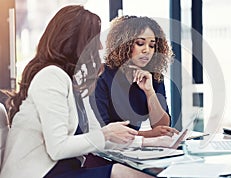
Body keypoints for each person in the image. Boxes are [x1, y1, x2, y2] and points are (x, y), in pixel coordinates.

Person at [0, 6, 174, 178]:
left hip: (61, 169)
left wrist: (152, 142)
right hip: (39, 173)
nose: (99, 46)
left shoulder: (73, 81)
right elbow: (58, 148)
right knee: (121, 173)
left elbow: (99, 134)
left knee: (143, 172)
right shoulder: (51, 76)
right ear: (75, 42)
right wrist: (106, 133)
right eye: (93, 38)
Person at [93, 15, 178, 138]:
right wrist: (147, 135)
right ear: (123, 44)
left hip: (133, 150)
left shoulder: (153, 76)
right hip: (105, 151)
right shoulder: (102, 75)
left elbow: (163, 126)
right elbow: (103, 130)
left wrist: (150, 92)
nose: (147, 50)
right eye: (140, 43)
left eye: (152, 45)